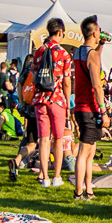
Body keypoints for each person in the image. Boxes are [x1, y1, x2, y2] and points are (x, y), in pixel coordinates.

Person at [26, 19, 73, 187]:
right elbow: (67, 82)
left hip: (40, 99)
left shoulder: (39, 51)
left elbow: (32, 76)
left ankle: (44, 177)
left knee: (43, 139)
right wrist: (68, 103)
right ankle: (56, 177)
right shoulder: (64, 54)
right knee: (58, 139)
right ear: (60, 32)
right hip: (57, 98)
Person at [71, 16, 106, 199]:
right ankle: (78, 192)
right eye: (99, 30)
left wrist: (101, 46)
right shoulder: (91, 55)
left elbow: (92, 59)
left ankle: (88, 189)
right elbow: (96, 84)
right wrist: (103, 109)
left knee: (91, 151)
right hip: (89, 107)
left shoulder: (78, 52)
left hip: (80, 106)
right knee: (84, 152)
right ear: (94, 33)